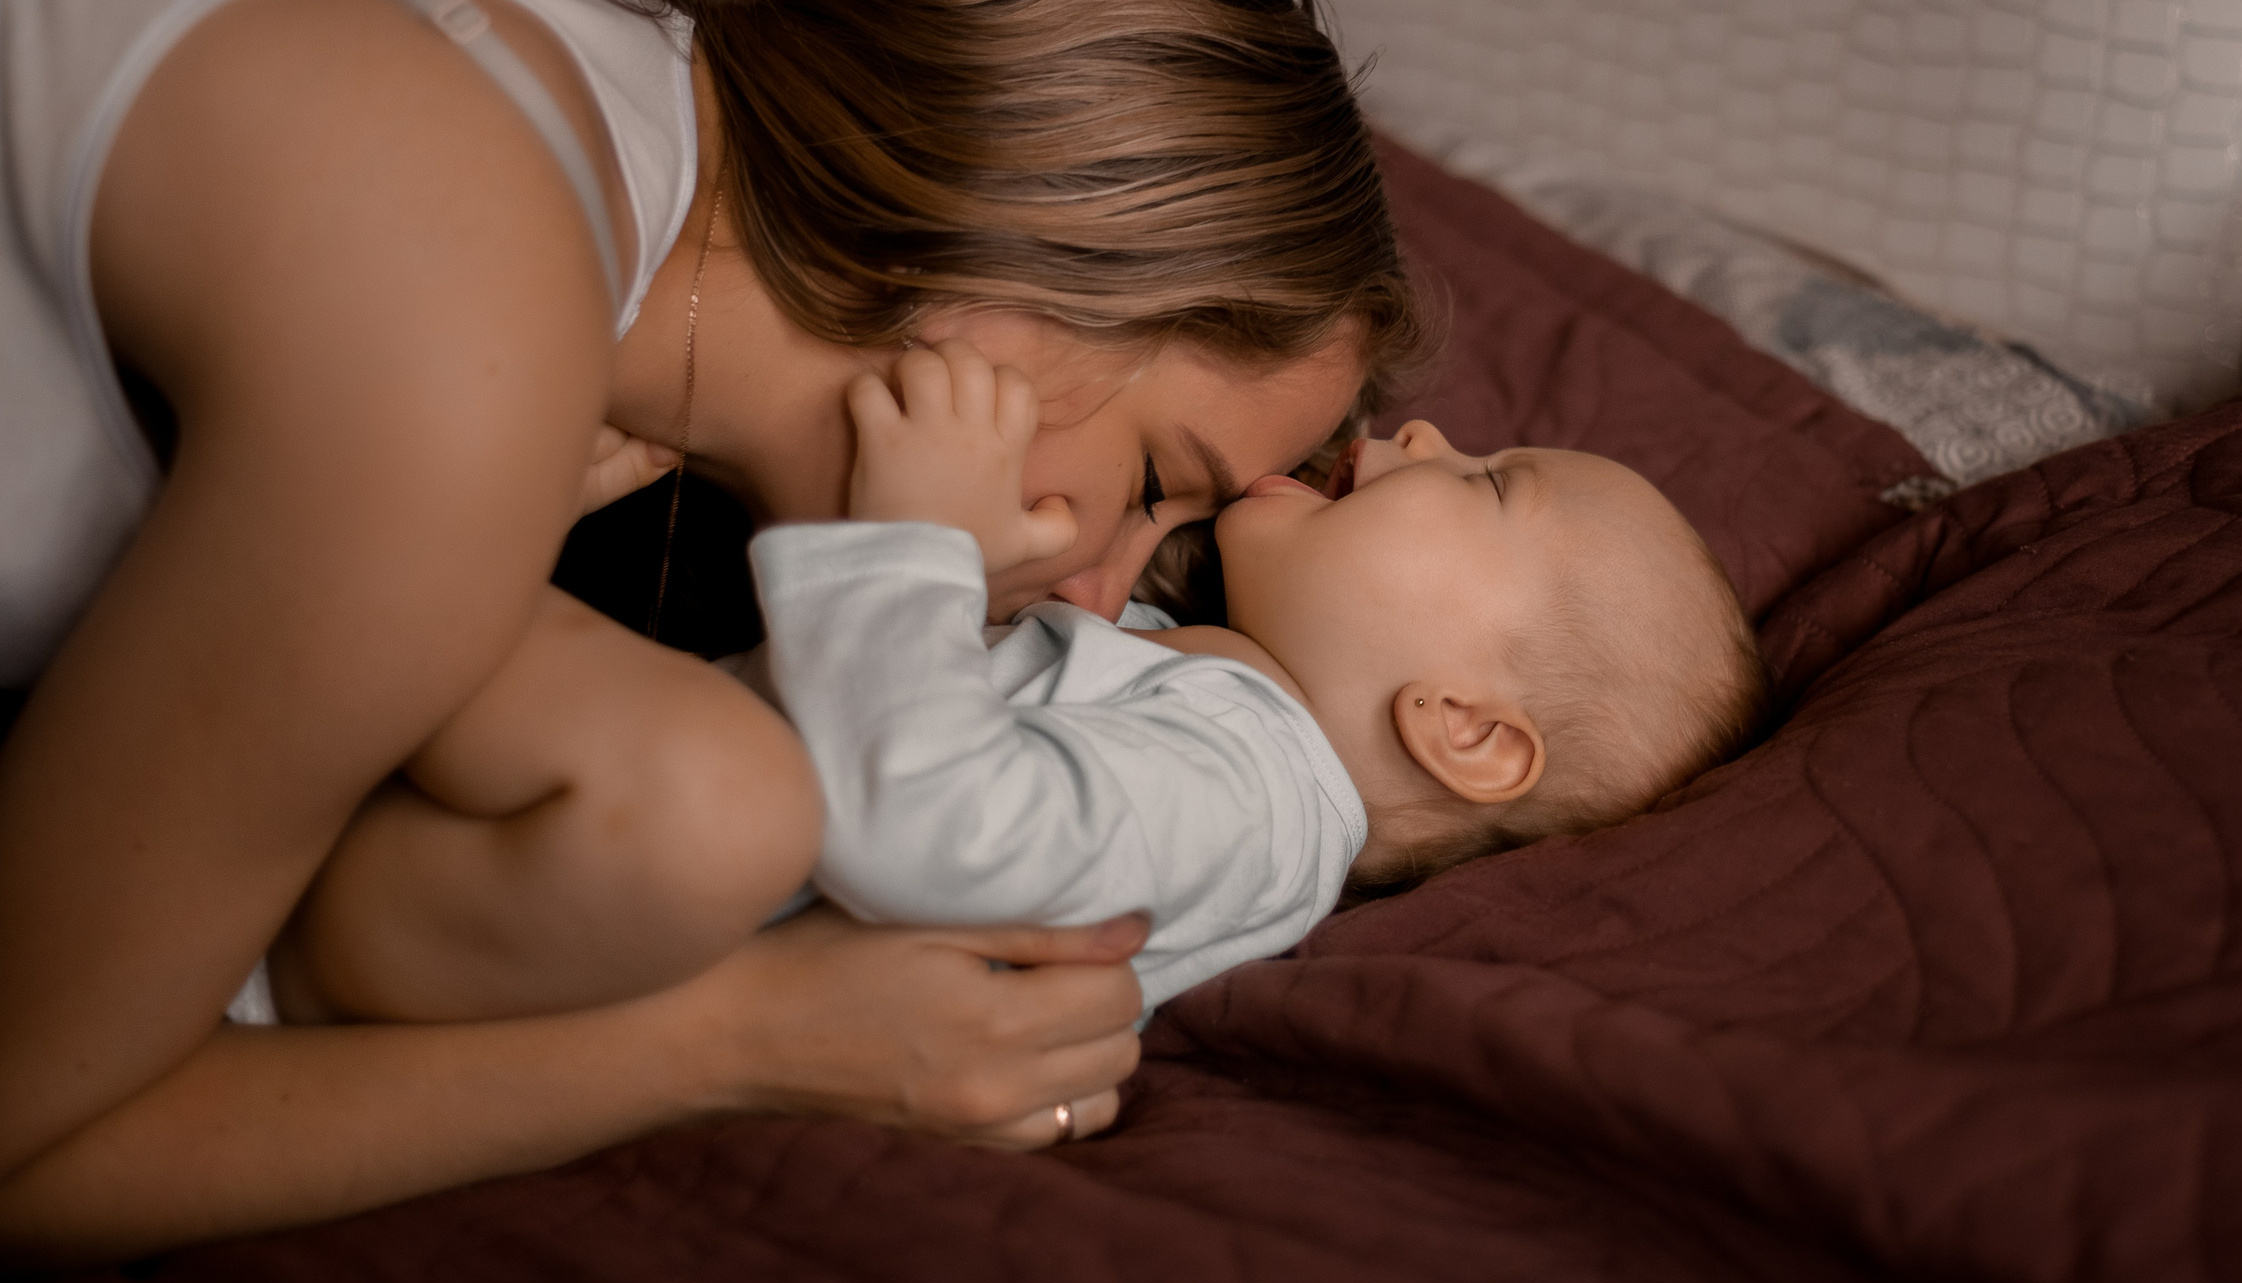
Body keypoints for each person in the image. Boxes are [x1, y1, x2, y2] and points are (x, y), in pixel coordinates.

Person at [0, 0, 1426, 1261]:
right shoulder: (463, 338)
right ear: (1017, 295)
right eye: (1154, 481)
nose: (1101, 596)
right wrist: (737, 1038)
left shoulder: (564, 86)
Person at [271, 340, 1770, 1033]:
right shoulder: (1203, 684)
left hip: (554, 926)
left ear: (1465, 732)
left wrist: (905, 544)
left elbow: (935, 832)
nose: (1430, 433)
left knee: (411, 550)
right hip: (516, 879)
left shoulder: (1254, 801)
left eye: (1492, 483)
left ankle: (353, 561)